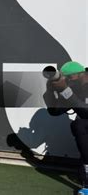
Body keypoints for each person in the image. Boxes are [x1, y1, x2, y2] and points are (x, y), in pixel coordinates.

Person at [43, 61, 88, 195]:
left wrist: (65, 90)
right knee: (79, 125)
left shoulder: (72, 91)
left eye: (68, 78)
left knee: (80, 124)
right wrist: (50, 91)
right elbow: (55, 111)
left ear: (80, 75)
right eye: (64, 78)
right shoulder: (73, 90)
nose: (66, 81)